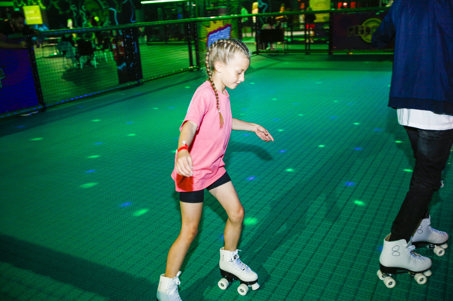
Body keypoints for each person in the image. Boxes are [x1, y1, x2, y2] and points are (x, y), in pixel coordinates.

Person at [156, 39, 274, 300]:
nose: (242, 78)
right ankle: (166, 286)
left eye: (244, 72)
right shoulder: (204, 93)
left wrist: (252, 126)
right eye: (239, 72)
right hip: (192, 172)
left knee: (237, 213)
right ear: (219, 66)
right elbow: (190, 124)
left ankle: (229, 259)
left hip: (214, 168)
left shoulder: (223, 92)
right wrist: (183, 148)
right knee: (190, 231)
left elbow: (225, 121)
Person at [372, 0, 452, 287]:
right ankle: (396, 245)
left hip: (407, 102)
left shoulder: (402, 3)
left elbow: (379, 37)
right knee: (427, 178)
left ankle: (421, 226)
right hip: (440, 102)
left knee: (425, 172)